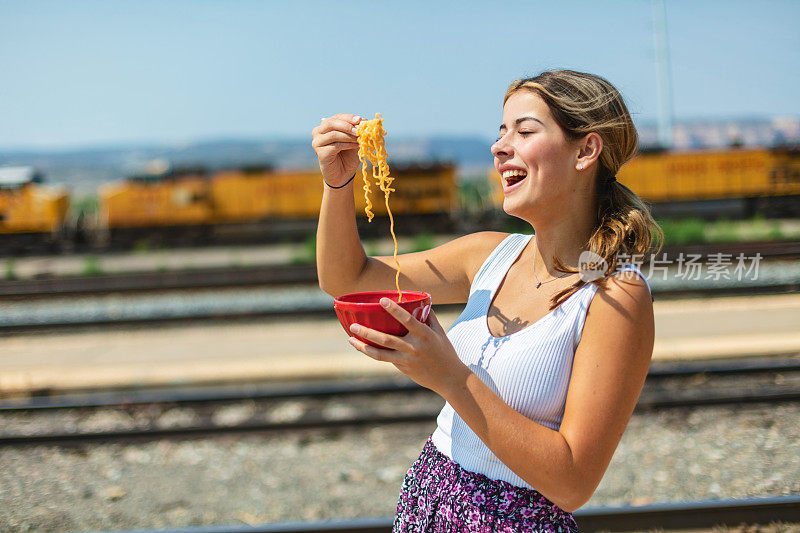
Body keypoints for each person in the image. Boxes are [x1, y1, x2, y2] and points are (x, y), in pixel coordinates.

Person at [311, 68, 661, 532]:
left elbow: (574, 483)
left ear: (586, 150)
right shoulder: (487, 255)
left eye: (525, 130)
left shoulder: (616, 293)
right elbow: (348, 280)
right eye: (501, 131)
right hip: (431, 501)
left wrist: (452, 378)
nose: (500, 147)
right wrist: (339, 185)